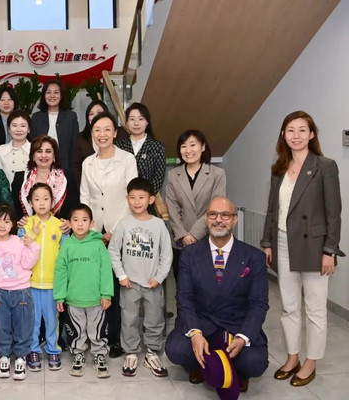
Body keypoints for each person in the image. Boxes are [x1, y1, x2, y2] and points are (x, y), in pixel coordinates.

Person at [260, 110, 344, 387]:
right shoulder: (279, 168)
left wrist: (330, 250)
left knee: (315, 308)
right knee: (289, 306)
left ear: (312, 134)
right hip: (283, 243)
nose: (296, 135)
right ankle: (292, 357)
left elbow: (334, 213)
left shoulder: (325, 166)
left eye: (302, 130)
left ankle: (311, 362)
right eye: (290, 130)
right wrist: (267, 243)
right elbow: (272, 209)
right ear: (283, 135)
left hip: (315, 246)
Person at [165, 197, 269, 394]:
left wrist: (243, 337)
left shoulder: (254, 257)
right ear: (206, 219)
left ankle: (233, 371)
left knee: (255, 363)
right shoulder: (189, 254)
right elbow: (184, 298)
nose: (218, 220)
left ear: (235, 220)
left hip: (235, 325)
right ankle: (203, 366)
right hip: (202, 323)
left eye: (225, 215)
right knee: (176, 350)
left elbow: (259, 304)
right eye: (213, 214)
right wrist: (195, 333)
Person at [80, 111, 138, 358]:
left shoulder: (127, 159)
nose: (101, 134)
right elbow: (85, 197)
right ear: (92, 134)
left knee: (118, 285)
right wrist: (91, 230)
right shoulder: (87, 163)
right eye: (97, 130)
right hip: (94, 232)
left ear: (115, 133)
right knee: (98, 284)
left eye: (106, 129)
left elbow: (131, 196)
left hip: (120, 230)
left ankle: (116, 338)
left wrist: (115, 229)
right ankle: (97, 335)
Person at [108, 177, 172, 377]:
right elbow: (113, 251)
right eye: (133, 197)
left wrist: (159, 277)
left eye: (141, 197)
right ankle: (131, 352)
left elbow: (166, 254)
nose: (137, 202)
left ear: (151, 199)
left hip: (153, 283)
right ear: (127, 199)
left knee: (154, 318)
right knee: (129, 319)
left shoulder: (159, 225)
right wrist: (121, 275)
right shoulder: (124, 224)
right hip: (129, 283)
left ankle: (152, 351)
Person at [54, 203, 113, 378]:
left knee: (97, 329)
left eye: (84, 220)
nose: (80, 224)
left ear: (92, 223)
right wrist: (60, 297)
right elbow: (60, 272)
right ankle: (78, 354)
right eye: (76, 220)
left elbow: (106, 271)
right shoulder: (67, 245)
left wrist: (106, 294)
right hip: (73, 299)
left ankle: (99, 355)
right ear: (69, 223)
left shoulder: (98, 245)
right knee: (77, 329)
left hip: (96, 300)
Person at [0, 203, 40, 380]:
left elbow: (28, 264)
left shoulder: (18, 242)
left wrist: (33, 246)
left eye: (7, 221)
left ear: (13, 223)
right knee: (1, 327)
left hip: (21, 291)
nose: (2, 225)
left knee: (24, 325)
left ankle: (21, 357)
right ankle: (4, 357)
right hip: (0, 293)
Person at [165, 130, 226, 280]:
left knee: (208, 285)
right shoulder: (173, 175)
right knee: (183, 285)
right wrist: (183, 235)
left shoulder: (217, 174)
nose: (188, 150)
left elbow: (216, 208)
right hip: (181, 241)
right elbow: (172, 207)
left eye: (193, 145)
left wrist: (194, 235)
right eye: (183, 146)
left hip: (208, 237)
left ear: (203, 147)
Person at [24, 183, 67, 372]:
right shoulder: (25, 224)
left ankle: (53, 349)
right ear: (30, 203)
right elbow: (21, 250)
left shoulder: (60, 226)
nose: (41, 203)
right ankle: (33, 349)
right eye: (37, 199)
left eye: (46, 199)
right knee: (32, 320)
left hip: (52, 284)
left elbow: (64, 255)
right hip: (30, 283)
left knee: (51, 320)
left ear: (52, 201)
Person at [30, 79, 80, 210]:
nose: (52, 96)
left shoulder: (71, 117)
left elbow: (74, 145)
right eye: (48, 92)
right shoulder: (36, 118)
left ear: (61, 95)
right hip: (41, 169)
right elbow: (33, 146)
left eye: (56, 92)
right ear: (43, 95)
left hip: (65, 169)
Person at [115, 103, 166, 204]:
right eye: (132, 119)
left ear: (147, 122)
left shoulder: (157, 147)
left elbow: (158, 178)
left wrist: (143, 198)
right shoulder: (118, 145)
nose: (136, 123)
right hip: (121, 200)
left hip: (146, 203)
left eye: (140, 119)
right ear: (126, 122)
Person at [11, 135, 67, 220]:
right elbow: (14, 209)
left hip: (58, 227)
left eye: (48, 151)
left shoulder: (66, 178)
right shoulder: (20, 178)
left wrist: (67, 222)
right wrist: (19, 222)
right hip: (27, 227)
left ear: (54, 156)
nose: (43, 155)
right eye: (39, 151)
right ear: (33, 156)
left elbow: (73, 209)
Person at [71, 100, 108, 187]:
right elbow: (76, 166)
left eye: (99, 113)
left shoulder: (119, 133)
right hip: (89, 187)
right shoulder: (81, 138)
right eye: (91, 114)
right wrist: (82, 187)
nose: (95, 116)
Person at [0, 109, 31, 185]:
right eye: (14, 125)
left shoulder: (35, 149)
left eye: (23, 126)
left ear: (29, 129)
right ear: (9, 129)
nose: (18, 129)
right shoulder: (1, 151)